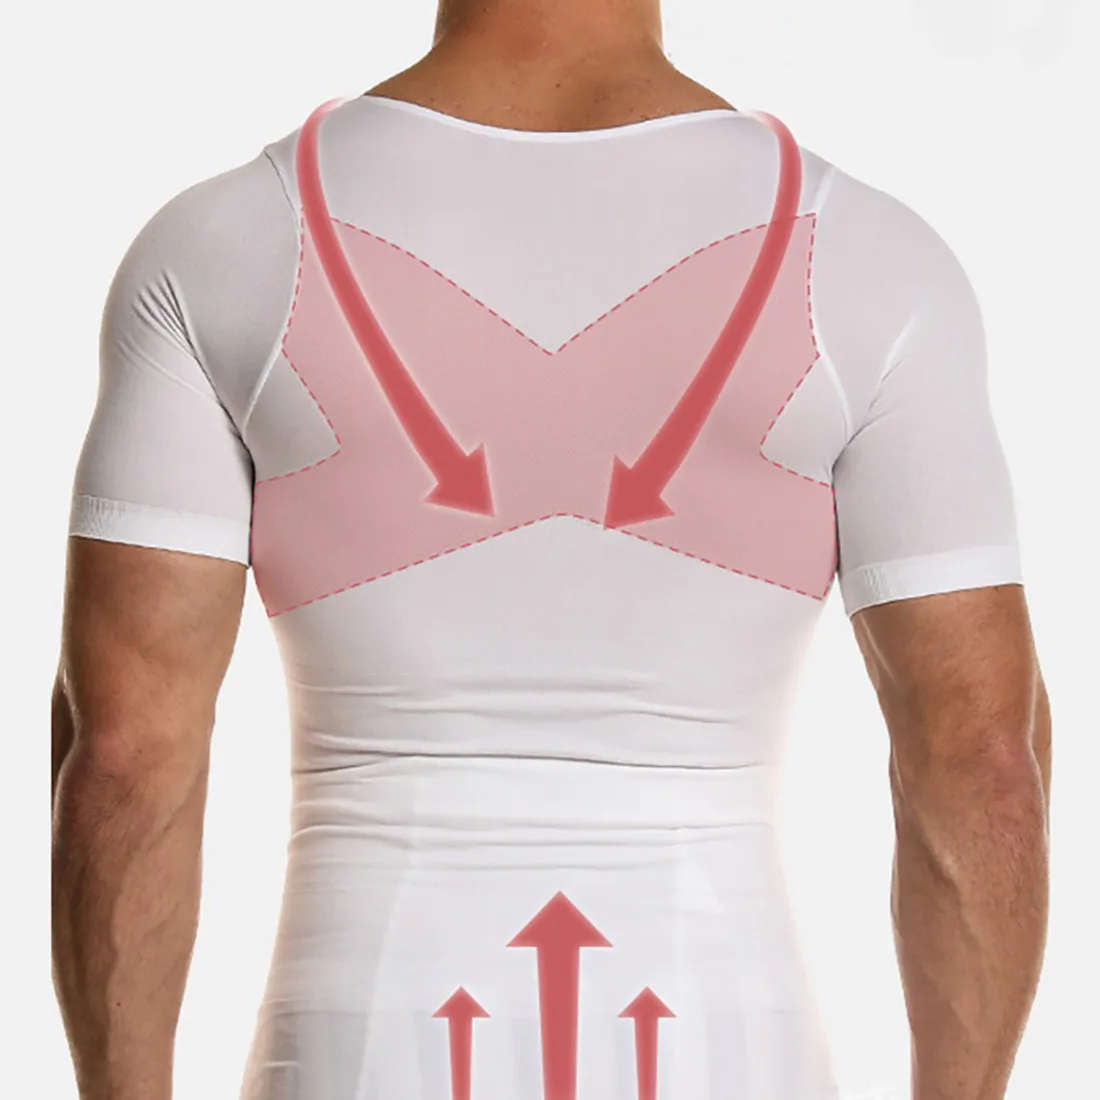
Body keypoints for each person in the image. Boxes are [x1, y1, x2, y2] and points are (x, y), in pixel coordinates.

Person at [50, 0, 1051, 1097]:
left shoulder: (225, 244)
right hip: (720, 1032)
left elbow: (125, 754)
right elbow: (981, 758)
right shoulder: (867, 260)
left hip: (362, 1034)